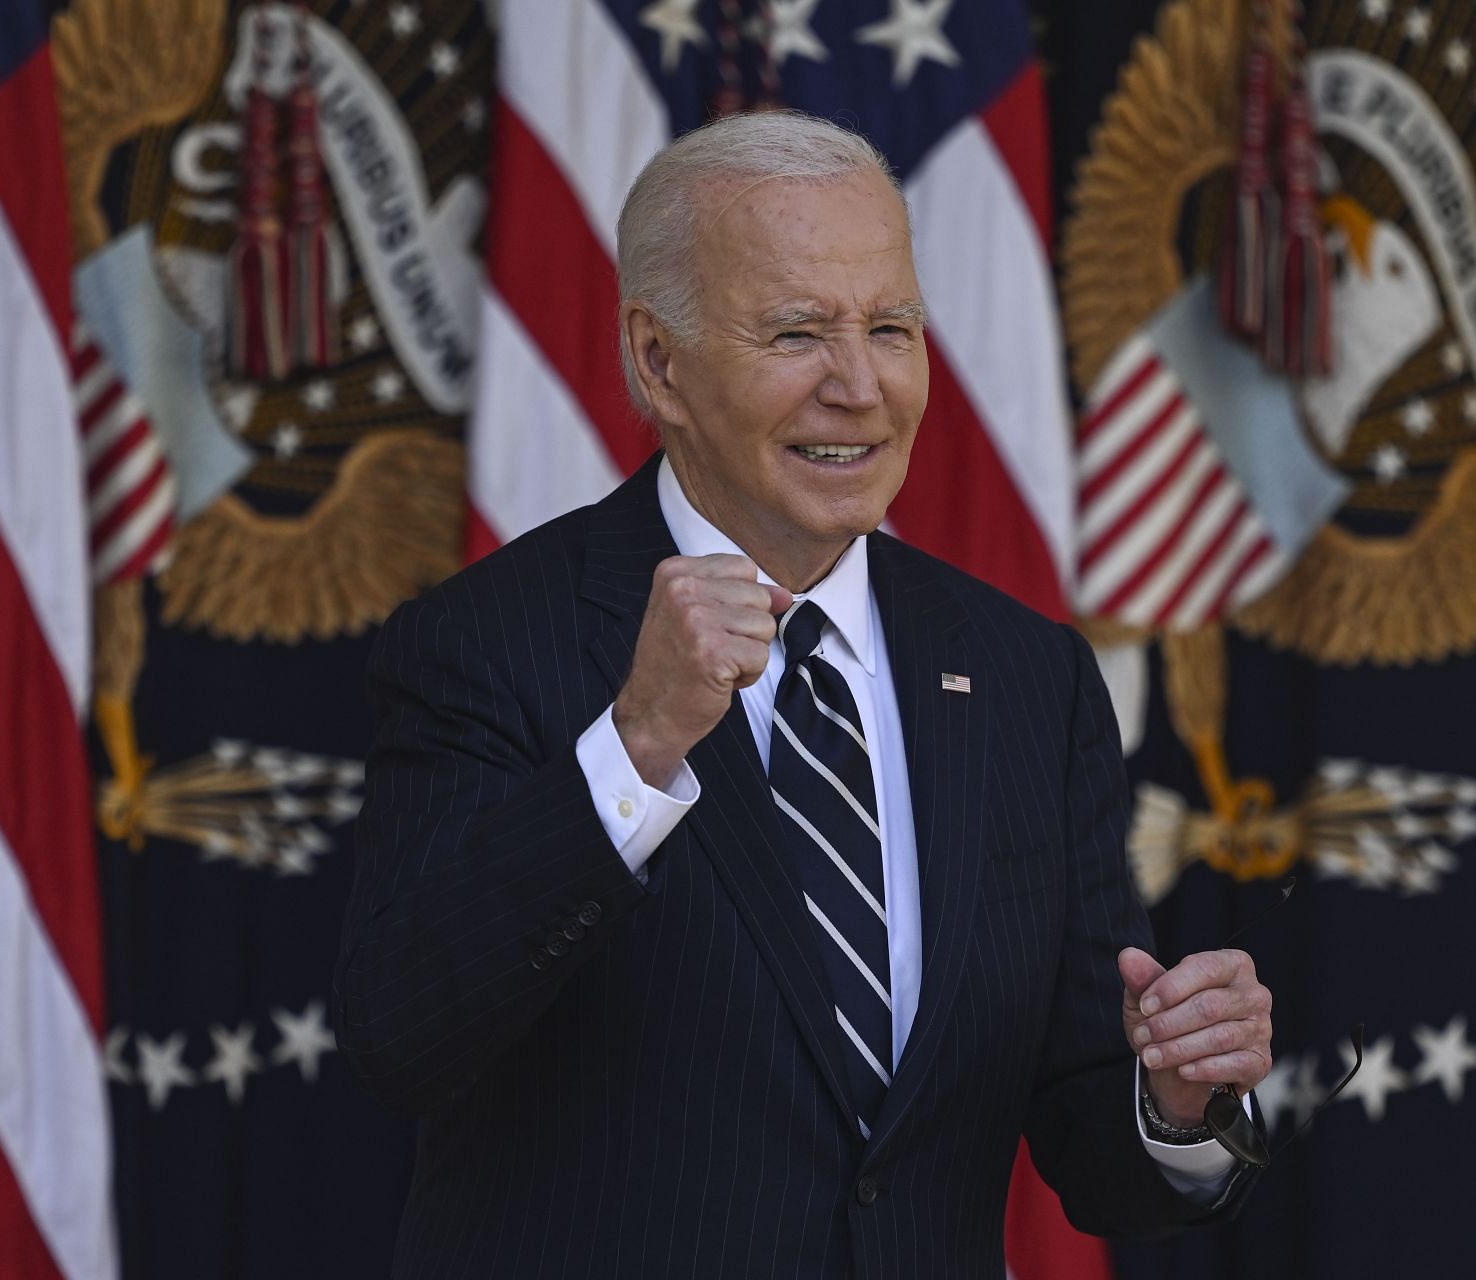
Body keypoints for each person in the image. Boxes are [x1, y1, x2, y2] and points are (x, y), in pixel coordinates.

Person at [335, 110, 1273, 1279]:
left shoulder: (1029, 675)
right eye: (797, 332)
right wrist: (636, 747)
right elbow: (400, 1034)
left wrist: (1171, 1099)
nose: (859, 387)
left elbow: (1088, 1131)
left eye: (891, 327)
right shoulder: (486, 641)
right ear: (657, 361)